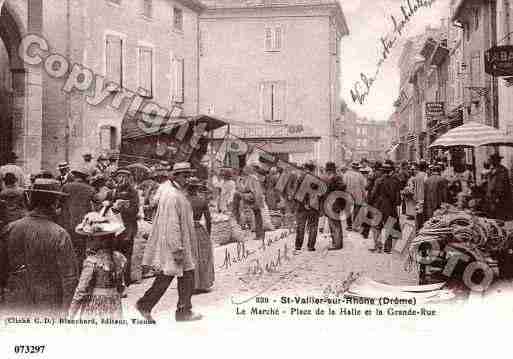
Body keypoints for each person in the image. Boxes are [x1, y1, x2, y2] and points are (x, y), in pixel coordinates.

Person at [0, 178, 78, 317]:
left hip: (14, 300)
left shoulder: (10, 228)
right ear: (54, 204)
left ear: (32, 201)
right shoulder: (60, 234)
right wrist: (65, 311)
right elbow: (70, 277)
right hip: (48, 303)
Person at [137, 162, 202, 322]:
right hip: (176, 244)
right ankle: (148, 305)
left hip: (178, 243)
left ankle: (181, 310)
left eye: (189, 175)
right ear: (176, 176)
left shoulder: (174, 192)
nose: (188, 179)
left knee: (181, 275)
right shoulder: (173, 195)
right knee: (172, 275)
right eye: (185, 176)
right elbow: (173, 225)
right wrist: (177, 249)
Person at [68, 213, 127, 320]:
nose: (87, 241)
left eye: (89, 239)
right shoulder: (119, 258)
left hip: (95, 303)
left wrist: (71, 314)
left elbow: (81, 290)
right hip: (114, 303)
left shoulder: (92, 261)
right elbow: (121, 287)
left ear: (96, 241)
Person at [110, 168, 139, 289]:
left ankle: (125, 281)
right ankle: (116, 281)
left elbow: (135, 210)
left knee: (126, 254)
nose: (121, 179)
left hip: (128, 227)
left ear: (128, 178)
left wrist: (122, 208)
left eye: (123, 177)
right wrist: (112, 207)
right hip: (115, 227)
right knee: (115, 254)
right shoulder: (114, 191)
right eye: (119, 177)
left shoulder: (133, 192)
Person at [61, 168, 95, 266]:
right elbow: (97, 202)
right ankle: (79, 271)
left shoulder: (66, 187)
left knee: (66, 249)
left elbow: (59, 203)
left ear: (75, 176)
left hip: (66, 223)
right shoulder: (90, 189)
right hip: (82, 225)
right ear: (85, 178)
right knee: (81, 250)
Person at [186, 178, 214, 293]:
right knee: (203, 257)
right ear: (197, 188)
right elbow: (208, 220)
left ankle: (191, 285)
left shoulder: (183, 200)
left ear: (187, 188)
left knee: (191, 257)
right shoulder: (202, 201)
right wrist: (208, 234)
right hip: (199, 230)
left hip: (187, 230)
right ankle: (203, 284)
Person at [368, 162, 401, 253]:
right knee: (389, 226)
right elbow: (398, 199)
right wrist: (396, 204)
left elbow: (373, 194)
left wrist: (371, 202)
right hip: (390, 207)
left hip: (379, 206)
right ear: (390, 171)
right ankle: (387, 248)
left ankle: (378, 246)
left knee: (376, 226)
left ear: (382, 171)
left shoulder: (378, 181)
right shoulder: (396, 181)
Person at [295, 162, 320, 252]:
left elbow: (297, 192)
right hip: (314, 206)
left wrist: (304, 202)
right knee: (313, 226)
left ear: (306, 168)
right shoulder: (317, 179)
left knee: (301, 226)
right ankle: (311, 246)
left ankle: (298, 245)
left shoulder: (301, 178)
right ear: (313, 169)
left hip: (302, 206)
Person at [323, 162, 346, 251]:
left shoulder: (335, 178)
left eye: (327, 170)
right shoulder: (334, 177)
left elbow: (342, 186)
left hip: (334, 204)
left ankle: (337, 244)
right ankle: (336, 242)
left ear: (329, 170)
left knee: (334, 224)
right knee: (333, 224)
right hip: (332, 204)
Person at [486, 153, 513, 221]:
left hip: (499, 198)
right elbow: (490, 183)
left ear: (497, 161)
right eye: (491, 160)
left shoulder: (502, 170)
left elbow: (501, 185)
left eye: (493, 160)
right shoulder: (492, 170)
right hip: (491, 197)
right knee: (492, 217)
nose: (491, 161)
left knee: (499, 216)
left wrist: (498, 197)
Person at [342, 161, 367, 231]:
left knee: (348, 210)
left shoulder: (346, 174)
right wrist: (365, 196)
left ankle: (349, 225)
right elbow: (363, 187)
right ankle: (355, 225)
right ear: (357, 168)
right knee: (356, 209)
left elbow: (343, 185)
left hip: (348, 194)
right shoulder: (360, 175)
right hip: (358, 195)